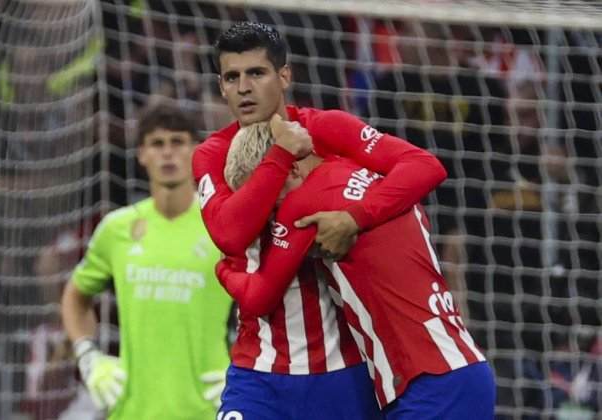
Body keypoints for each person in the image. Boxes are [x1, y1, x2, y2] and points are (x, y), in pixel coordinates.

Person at [192, 21, 446, 419]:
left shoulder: (326, 128)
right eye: (232, 77)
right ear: (221, 86)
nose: (244, 87)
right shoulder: (211, 153)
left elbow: (423, 166)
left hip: (344, 374)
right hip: (258, 372)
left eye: (256, 73)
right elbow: (229, 233)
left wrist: (354, 218)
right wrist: (281, 154)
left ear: (285, 76)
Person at [218, 122, 495, 419]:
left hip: (429, 383)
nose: (269, 218)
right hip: (454, 369)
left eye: (268, 202)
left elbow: (258, 297)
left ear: (293, 170)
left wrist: (223, 268)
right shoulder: (371, 175)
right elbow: (426, 165)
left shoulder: (304, 204)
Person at [61, 103, 232, 419]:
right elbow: (75, 295)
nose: (168, 153)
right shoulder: (117, 228)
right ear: (141, 154)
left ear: (196, 151)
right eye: (157, 144)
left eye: (178, 142)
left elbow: (264, 303)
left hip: (208, 408)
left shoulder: (221, 224)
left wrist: (243, 374)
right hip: (131, 410)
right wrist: (88, 356)